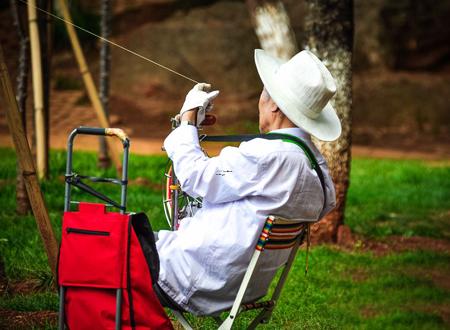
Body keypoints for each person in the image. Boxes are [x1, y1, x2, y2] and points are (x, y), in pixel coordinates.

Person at [154, 49, 341, 316]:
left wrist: (186, 121)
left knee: (101, 244)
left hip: (193, 278)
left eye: (263, 94)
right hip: (245, 286)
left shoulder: (269, 155)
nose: (259, 102)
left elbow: (196, 177)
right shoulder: (314, 166)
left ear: (274, 105)